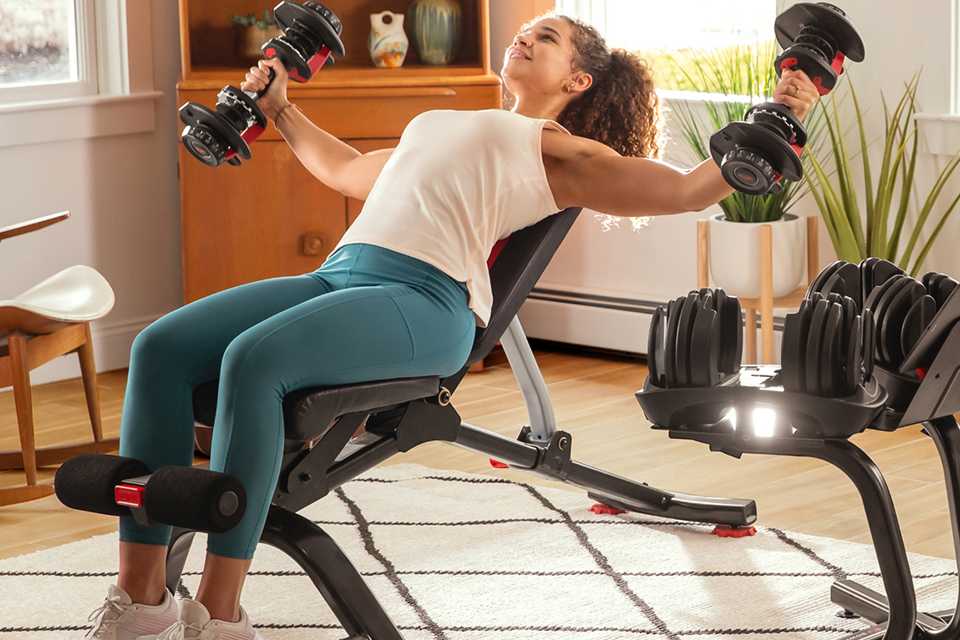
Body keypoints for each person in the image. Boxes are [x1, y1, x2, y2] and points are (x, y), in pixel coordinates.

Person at [82, 11, 820, 640]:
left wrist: (789, 106)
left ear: (577, 82)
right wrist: (280, 110)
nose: (527, 36)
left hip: (428, 302)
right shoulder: (441, 124)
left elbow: (687, 189)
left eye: (549, 37)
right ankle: (141, 601)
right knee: (161, 348)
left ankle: (220, 611)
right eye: (527, 30)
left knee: (253, 360)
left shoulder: (558, 151)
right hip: (341, 276)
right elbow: (348, 172)